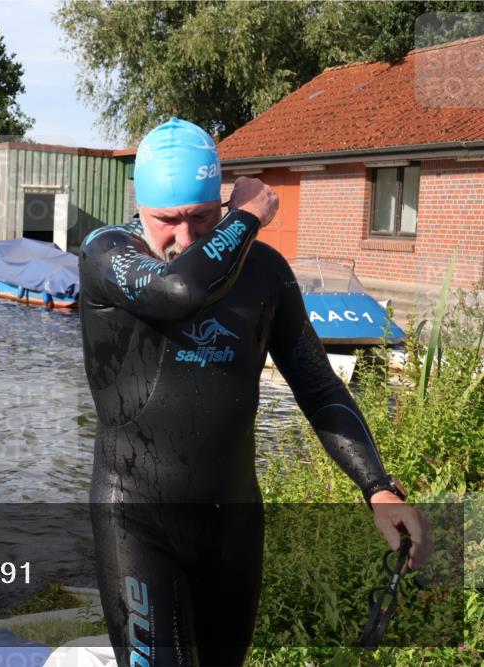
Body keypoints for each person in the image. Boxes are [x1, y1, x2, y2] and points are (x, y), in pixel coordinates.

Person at [79, 117, 432, 665]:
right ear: (138, 206)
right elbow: (181, 292)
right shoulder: (108, 254)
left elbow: (317, 385)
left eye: (201, 216)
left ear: (218, 202)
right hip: (137, 520)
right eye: (167, 221)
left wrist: (379, 488)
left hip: (232, 527)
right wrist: (248, 215)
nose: (187, 237)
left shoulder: (264, 271)